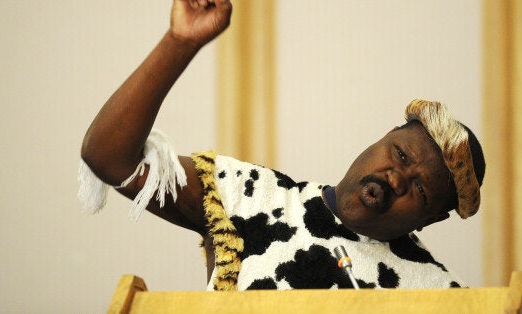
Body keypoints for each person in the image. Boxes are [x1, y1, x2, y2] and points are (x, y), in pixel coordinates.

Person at [79, 0, 485, 291]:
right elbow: (109, 159)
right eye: (399, 154)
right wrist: (179, 42)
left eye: (420, 189)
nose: (396, 178)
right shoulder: (251, 196)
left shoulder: (434, 292)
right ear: (381, 138)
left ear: (430, 220)